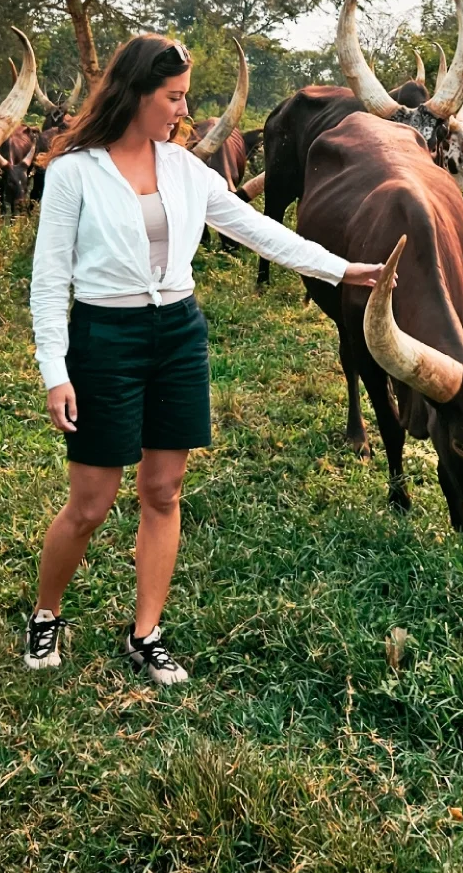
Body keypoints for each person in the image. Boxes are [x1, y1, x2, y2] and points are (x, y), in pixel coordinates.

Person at [27, 34, 385, 685]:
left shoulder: (185, 168)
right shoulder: (73, 171)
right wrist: (57, 371)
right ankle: (46, 613)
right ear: (136, 94)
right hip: (104, 337)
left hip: (179, 336)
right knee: (90, 503)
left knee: (163, 491)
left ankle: (145, 633)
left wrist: (340, 269)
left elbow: (256, 229)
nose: (182, 110)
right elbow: (50, 280)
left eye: (184, 96)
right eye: (173, 97)